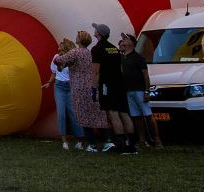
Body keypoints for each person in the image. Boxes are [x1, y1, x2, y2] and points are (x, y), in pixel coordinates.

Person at [55, 30, 108, 151]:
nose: (76, 38)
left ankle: (92, 144)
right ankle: (107, 141)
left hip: (79, 88)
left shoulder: (75, 52)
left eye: (77, 36)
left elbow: (59, 60)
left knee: (83, 115)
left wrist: (58, 60)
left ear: (80, 39)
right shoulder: (89, 53)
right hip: (91, 86)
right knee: (97, 114)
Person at [91, 23, 132, 153]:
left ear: (99, 34)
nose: (94, 31)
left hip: (107, 84)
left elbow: (96, 71)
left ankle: (120, 144)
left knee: (112, 112)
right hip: (119, 83)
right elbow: (120, 68)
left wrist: (93, 88)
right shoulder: (114, 48)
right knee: (124, 113)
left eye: (96, 30)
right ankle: (130, 144)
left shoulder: (97, 49)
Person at [118, 33, 160, 149]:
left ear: (131, 43)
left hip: (139, 90)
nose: (123, 41)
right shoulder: (122, 58)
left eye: (126, 39)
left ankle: (156, 139)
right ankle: (142, 140)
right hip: (129, 91)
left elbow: (145, 75)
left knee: (147, 115)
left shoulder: (138, 58)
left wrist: (147, 91)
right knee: (136, 117)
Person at [43, 38, 83, 149]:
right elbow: (54, 73)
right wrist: (49, 83)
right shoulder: (56, 57)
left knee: (73, 112)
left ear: (65, 47)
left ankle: (79, 140)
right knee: (61, 112)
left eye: (60, 45)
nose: (58, 47)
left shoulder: (73, 58)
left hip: (70, 86)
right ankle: (64, 141)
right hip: (59, 86)